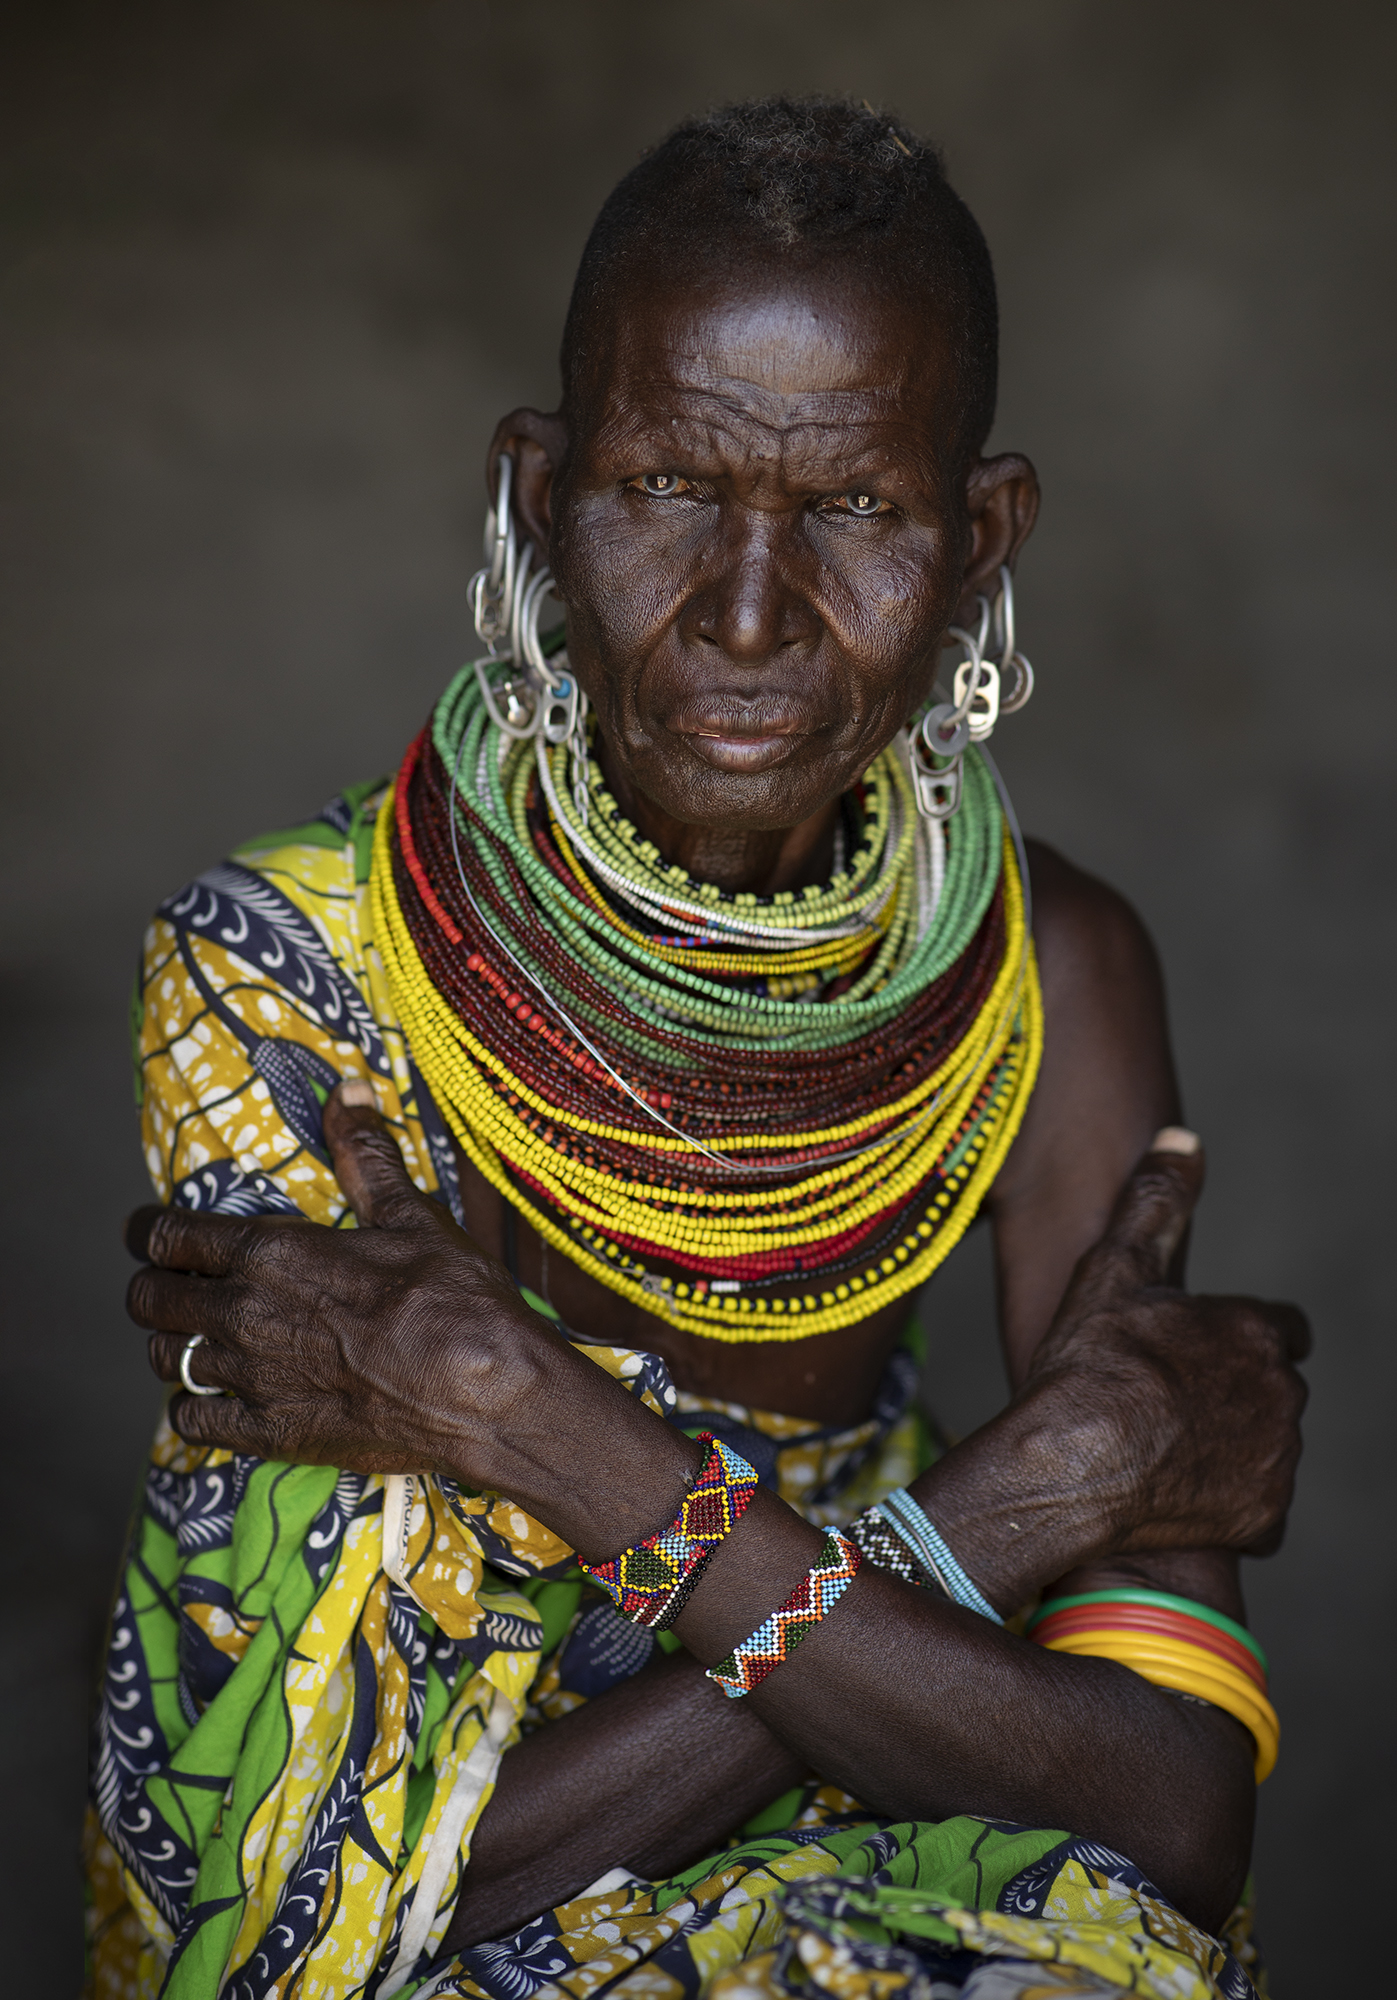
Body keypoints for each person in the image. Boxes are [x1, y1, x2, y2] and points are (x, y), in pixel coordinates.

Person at [87, 100, 1307, 2000]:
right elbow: (343, 1896)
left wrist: (512, 1405)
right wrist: (1026, 1497)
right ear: (540, 494)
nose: (746, 617)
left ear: (980, 539)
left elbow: (1171, 1807)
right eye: (666, 488)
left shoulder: (1048, 972)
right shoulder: (296, 967)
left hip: (842, 1833)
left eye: (852, 512)